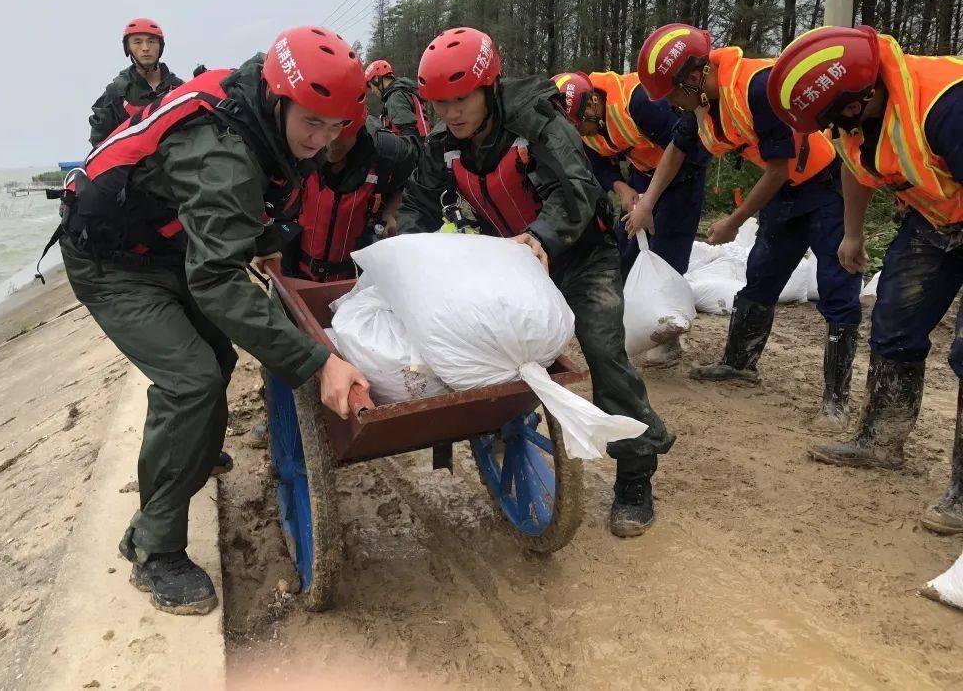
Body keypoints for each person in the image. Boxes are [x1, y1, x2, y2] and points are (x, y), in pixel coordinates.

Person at [59, 26, 370, 614]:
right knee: (192, 380)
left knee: (220, 358)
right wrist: (317, 361)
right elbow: (218, 279)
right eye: (312, 123)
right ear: (280, 97)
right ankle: (154, 549)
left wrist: (266, 237)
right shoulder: (222, 151)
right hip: (110, 260)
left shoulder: (260, 99)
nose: (322, 139)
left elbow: (241, 212)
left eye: (336, 128)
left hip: (164, 243)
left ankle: (187, 455)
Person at [397, 27, 676, 537]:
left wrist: (539, 236)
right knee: (491, 345)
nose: (452, 113)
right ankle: (502, 424)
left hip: (581, 255)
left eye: (461, 99)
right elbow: (418, 205)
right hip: (513, 262)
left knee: (603, 351)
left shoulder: (538, 122)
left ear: (489, 86)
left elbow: (577, 190)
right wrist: (408, 259)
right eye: (440, 104)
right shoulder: (442, 146)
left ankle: (636, 474)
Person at [767, 25, 963, 535]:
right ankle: (881, 441)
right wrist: (852, 235)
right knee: (895, 322)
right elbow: (856, 165)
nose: (832, 131)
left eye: (833, 120)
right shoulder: (862, 114)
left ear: (857, 100)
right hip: (937, 216)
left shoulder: (946, 108)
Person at [627, 24, 862, 429]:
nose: (674, 105)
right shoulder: (702, 106)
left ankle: (835, 400)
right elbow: (675, 151)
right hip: (785, 194)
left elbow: (777, 168)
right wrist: (647, 201)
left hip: (825, 188)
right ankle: (740, 363)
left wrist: (735, 222)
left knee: (837, 287)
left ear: (694, 75)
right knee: (761, 277)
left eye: (674, 95)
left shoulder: (758, 88)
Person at [551, 71, 708, 366]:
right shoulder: (581, 124)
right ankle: (626, 324)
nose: (580, 132)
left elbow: (682, 148)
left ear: (594, 104)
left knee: (665, 254)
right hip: (642, 174)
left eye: (580, 125)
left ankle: (667, 335)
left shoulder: (639, 103)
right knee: (626, 249)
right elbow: (598, 162)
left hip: (682, 178)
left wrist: (649, 203)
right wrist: (623, 189)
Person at [280, 105, 417, 282]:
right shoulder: (292, 148)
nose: (328, 144)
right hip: (294, 273)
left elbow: (415, 179)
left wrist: (391, 212)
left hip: (355, 281)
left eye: (338, 139)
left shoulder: (386, 153)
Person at [88, 18, 184, 147]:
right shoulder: (116, 93)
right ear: (128, 48)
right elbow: (99, 142)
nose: (145, 48)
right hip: (136, 164)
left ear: (160, 46)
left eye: (151, 41)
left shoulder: (180, 89)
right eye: (137, 42)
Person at [364, 59, 430, 138]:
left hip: (418, 147)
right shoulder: (406, 90)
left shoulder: (395, 97)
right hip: (426, 143)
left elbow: (409, 134)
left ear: (376, 79)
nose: (373, 91)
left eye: (371, 86)